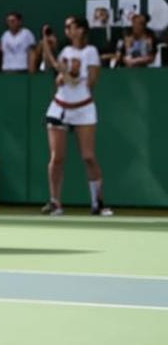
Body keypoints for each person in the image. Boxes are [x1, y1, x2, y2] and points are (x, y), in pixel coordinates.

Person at [38, 17, 113, 216]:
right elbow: (56, 77)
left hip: (84, 108)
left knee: (88, 156)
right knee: (56, 158)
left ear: (81, 30)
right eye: (66, 27)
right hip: (59, 108)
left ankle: (98, 202)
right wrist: (46, 43)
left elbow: (91, 83)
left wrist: (68, 76)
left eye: (70, 27)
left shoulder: (91, 52)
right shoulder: (64, 52)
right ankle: (55, 202)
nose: (67, 30)